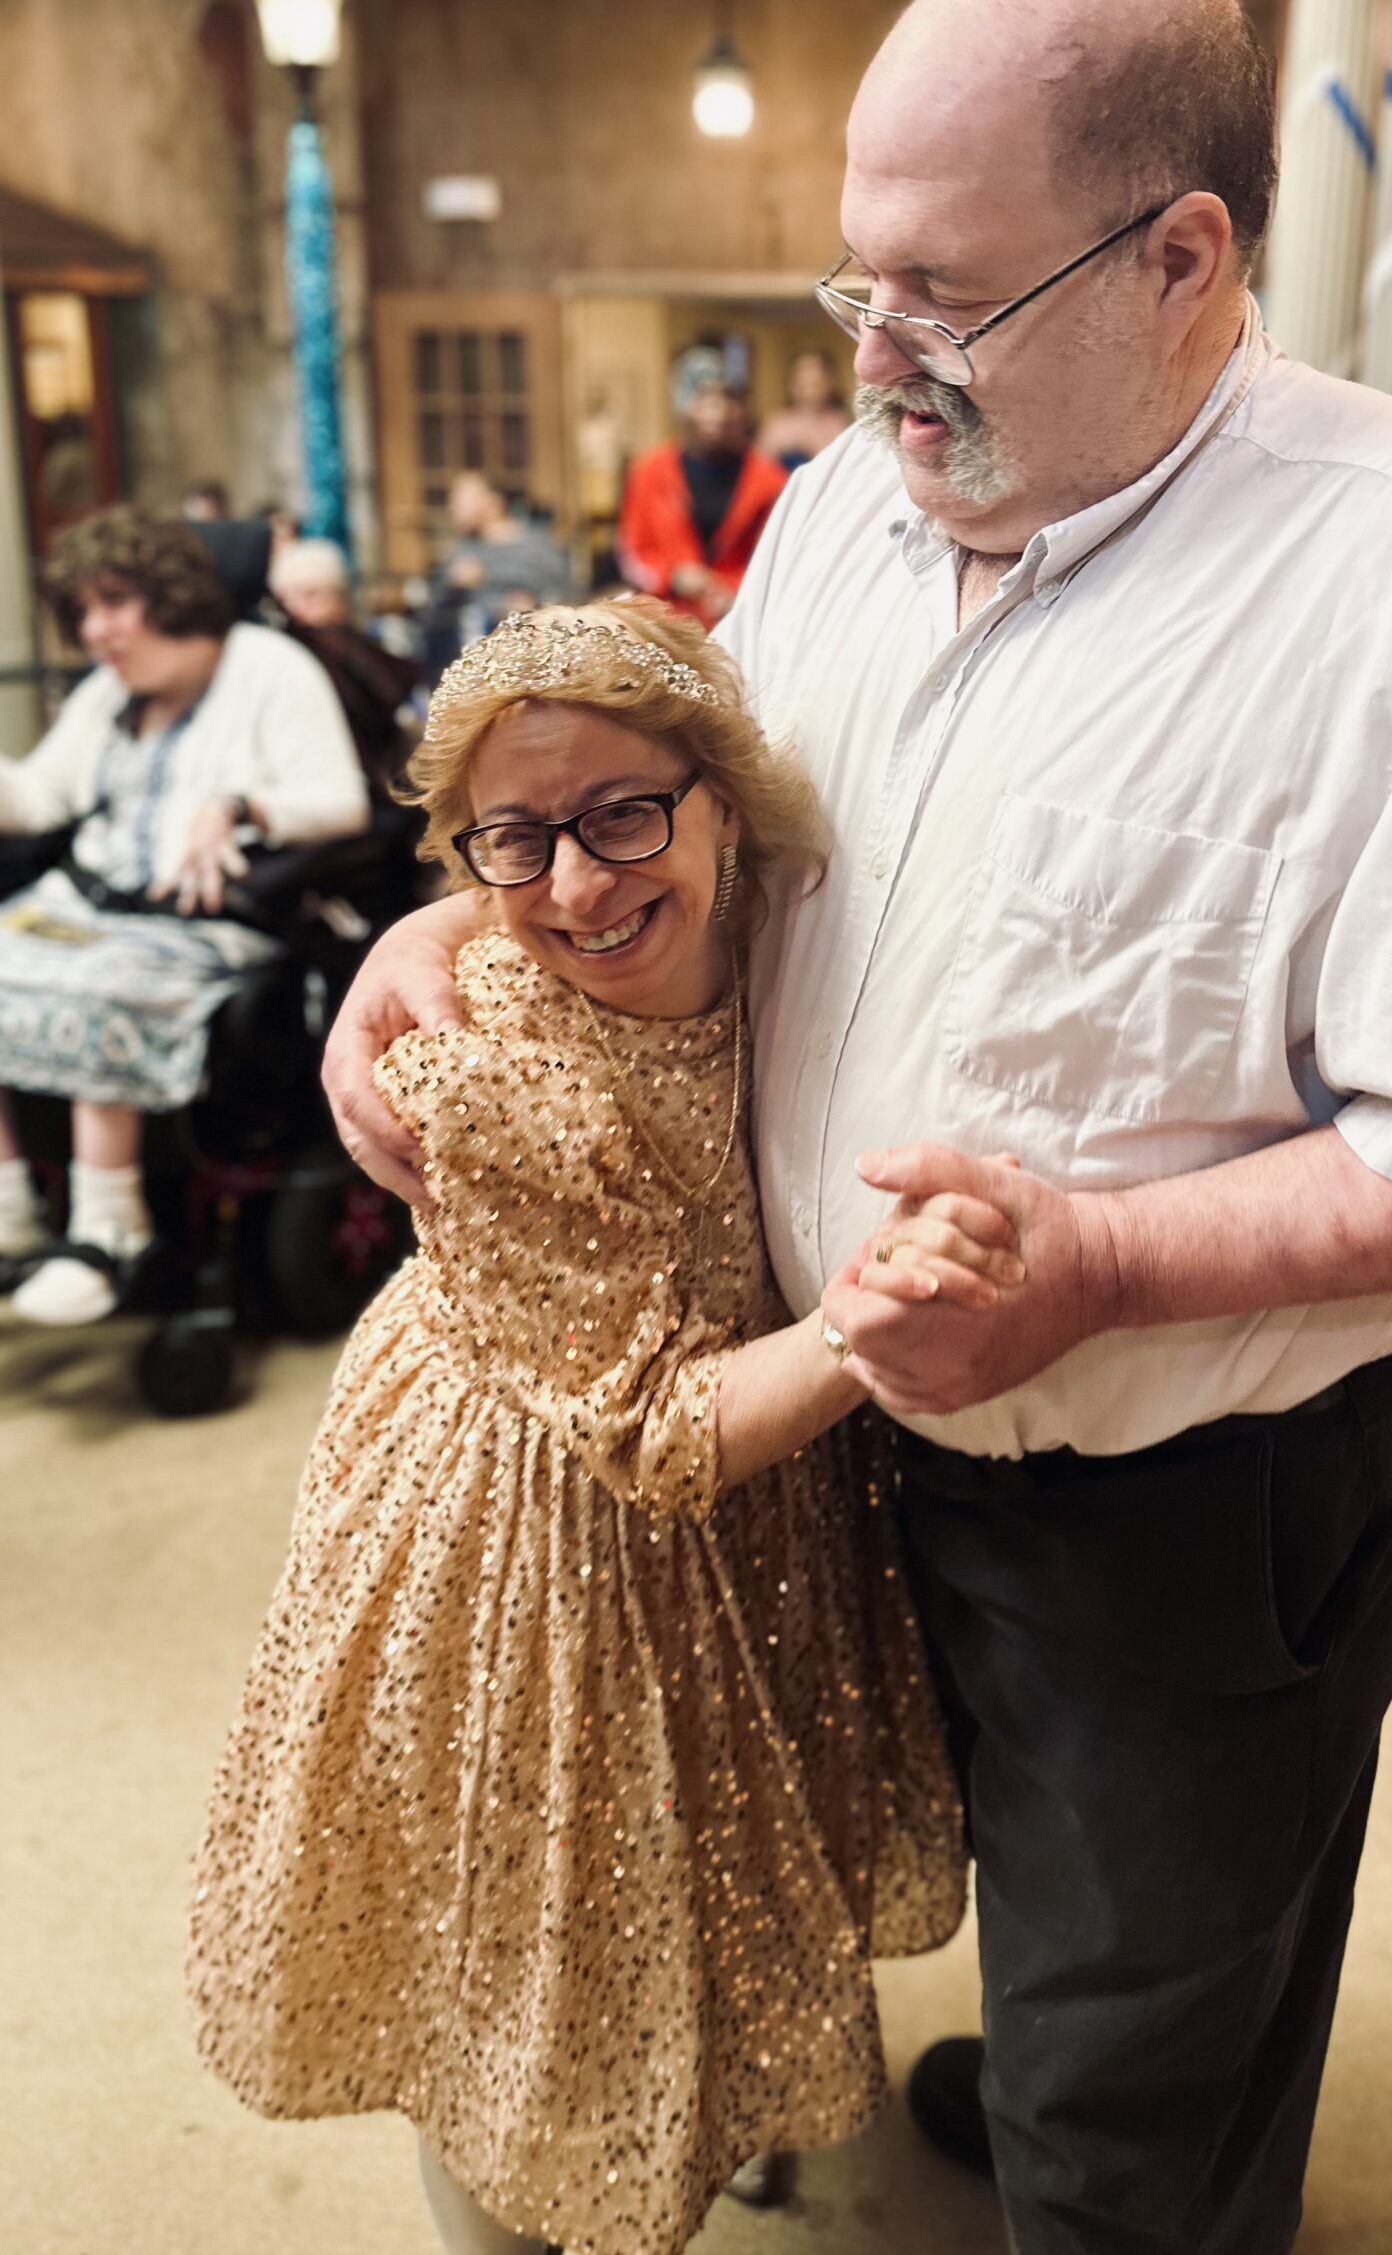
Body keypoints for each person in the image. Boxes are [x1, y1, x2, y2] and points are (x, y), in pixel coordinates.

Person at [321, 0, 1392, 2255]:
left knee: (1143, 2047)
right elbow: (720, 839)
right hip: (851, 1401)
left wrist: (1098, 1262)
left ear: (1179, 255)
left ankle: (1128, 2135)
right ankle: (1090, 2035)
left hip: (1189, 1467)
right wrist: (449, 921)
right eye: (851, 285)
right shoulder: (853, 508)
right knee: (989, 1874)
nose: (875, 358)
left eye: (941, 295)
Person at [189, 601, 973, 2255]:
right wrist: (865, 1322)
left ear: (719, 802)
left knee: (713, 1872)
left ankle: (725, 2103)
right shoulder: (481, 1074)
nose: (573, 886)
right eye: (515, 840)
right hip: (533, 1512)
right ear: (467, 848)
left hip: (749, 1469)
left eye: (622, 813)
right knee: (534, 1931)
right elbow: (648, 1427)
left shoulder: (785, 929)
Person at [0, 507, 367, 1326]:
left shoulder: (269, 668)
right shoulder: (109, 692)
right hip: (87, 902)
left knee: (102, 987)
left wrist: (240, 805)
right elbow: (41, 794)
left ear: (171, 597)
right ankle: (11, 1212)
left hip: (201, 918)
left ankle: (109, 1229)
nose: (96, 630)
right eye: (85, 610)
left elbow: (342, 800)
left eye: (115, 604)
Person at [617, 353, 788, 628]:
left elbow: (780, 558)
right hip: (664, 623)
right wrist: (673, 575)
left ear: (743, 410)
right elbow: (633, 552)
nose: (718, 413)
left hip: (742, 619)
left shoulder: (771, 480)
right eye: (705, 401)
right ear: (684, 406)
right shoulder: (649, 471)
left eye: (728, 400)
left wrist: (735, 590)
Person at [270, 536, 422, 793]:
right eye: (287, 599)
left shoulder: (346, 643)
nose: (297, 608)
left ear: (340, 595)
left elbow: (395, 684)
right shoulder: (296, 649)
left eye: (311, 594)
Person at [423, 472, 575, 680]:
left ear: (493, 502)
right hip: (476, 667)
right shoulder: (462, 554)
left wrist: (534, 608)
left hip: (537, 661)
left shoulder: (538, 546)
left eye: (461, 500)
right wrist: (454, 587)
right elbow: (434, 619)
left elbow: (569, 596)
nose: (453, 508)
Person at [758, 346, 851, 474]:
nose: (810, 390)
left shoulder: (843, 423)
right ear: (792, 383)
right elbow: (759, 471)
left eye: (817, 382)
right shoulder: (777, 424)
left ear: (830, 382)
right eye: (803, 382)